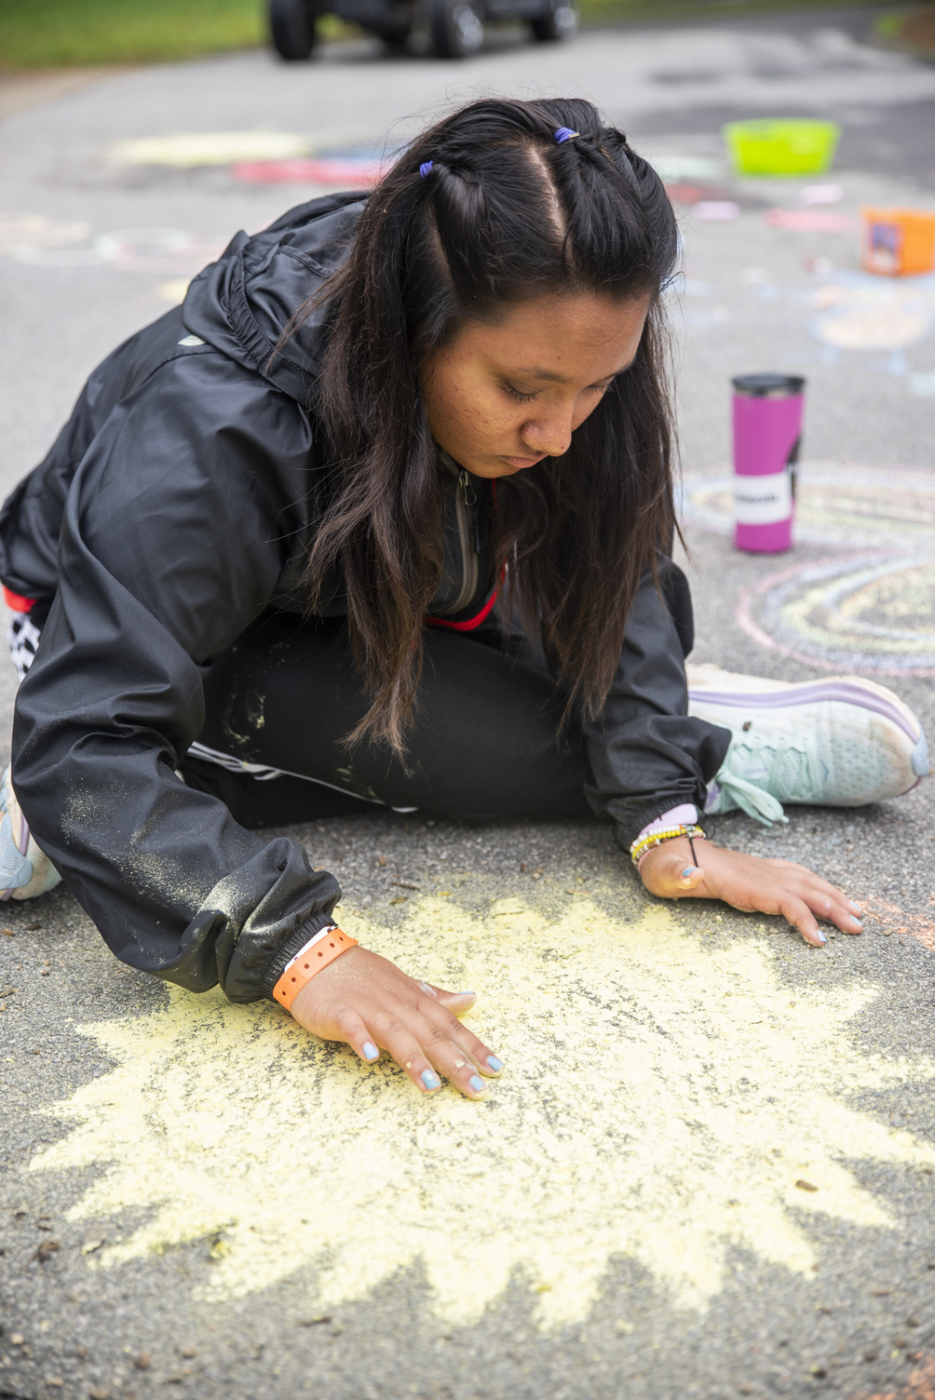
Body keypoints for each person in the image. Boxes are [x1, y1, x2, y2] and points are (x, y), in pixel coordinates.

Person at [0, 98, 927, 1100]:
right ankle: (713, 731)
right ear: (410, 328)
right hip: (112, 622)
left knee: (500, 727)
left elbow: (611, 564)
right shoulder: (211, 429)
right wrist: (299, 950)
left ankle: (669, 739)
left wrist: (662, 814)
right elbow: (87, 734)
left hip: (341, 570)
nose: (561, 430)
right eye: (523, 389)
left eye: (593, 387)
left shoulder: (551, 342)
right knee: (65, 830)